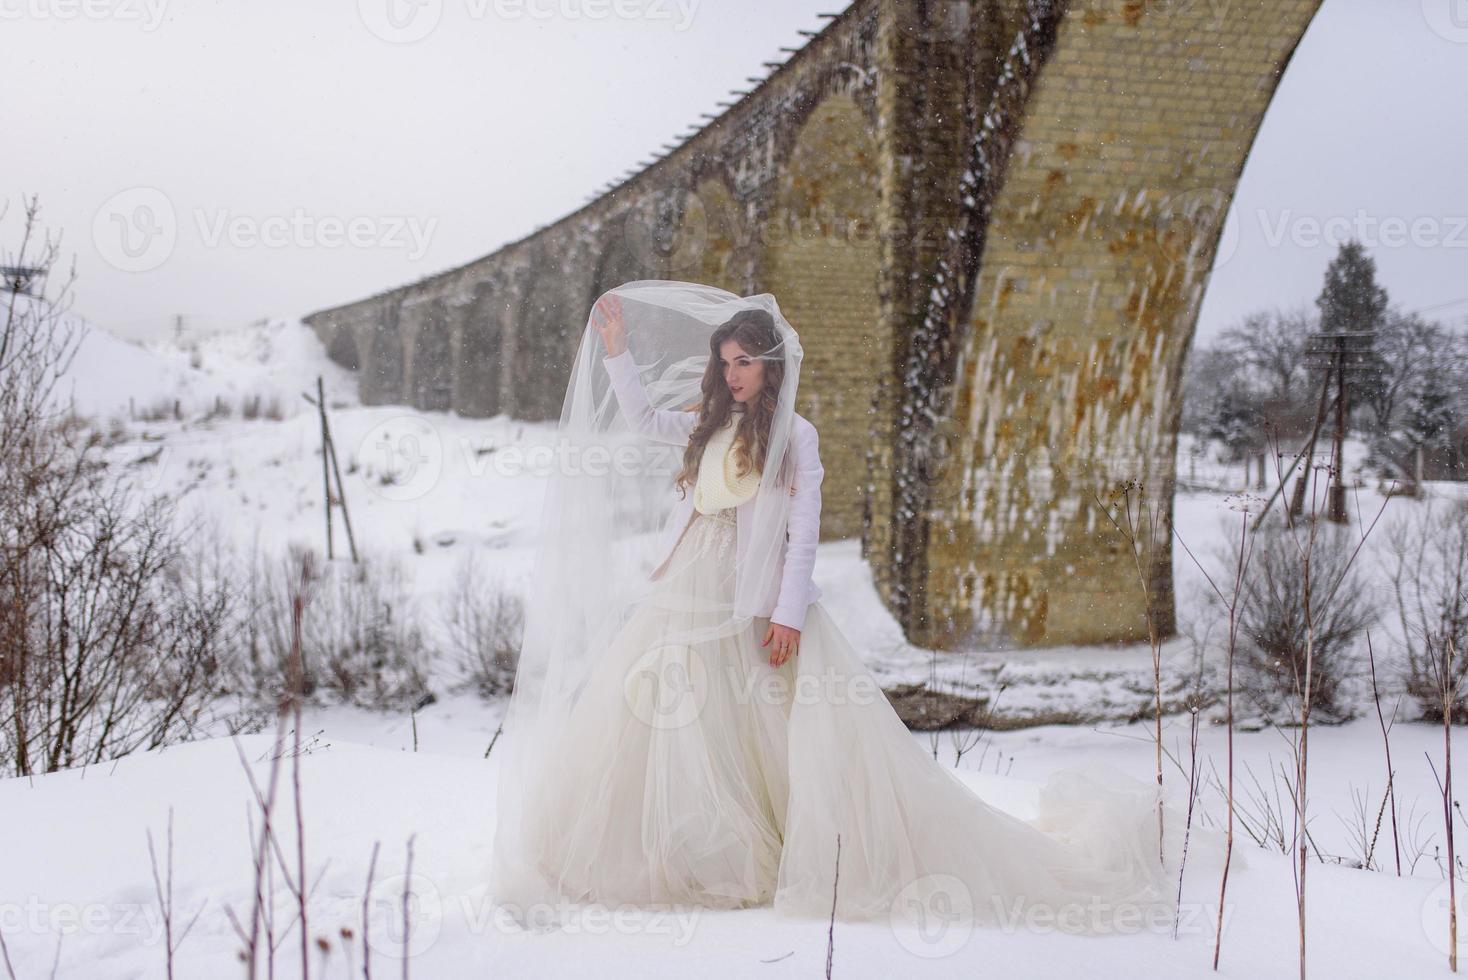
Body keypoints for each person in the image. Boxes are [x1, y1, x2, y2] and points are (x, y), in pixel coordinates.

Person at [488, 280, 1225, 937]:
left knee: (765, 727)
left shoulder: (794, 437)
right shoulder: (707, 420)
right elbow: (643, 417)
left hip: (752, 598)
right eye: (726, 362)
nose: (733, 373)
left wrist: (786, 614)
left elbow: (803, 534)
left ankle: (778, 847)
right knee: (668, 718)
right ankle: (678, 850)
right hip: (686, 587)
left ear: (772, 364)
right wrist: (617, 351)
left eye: (745, 361)